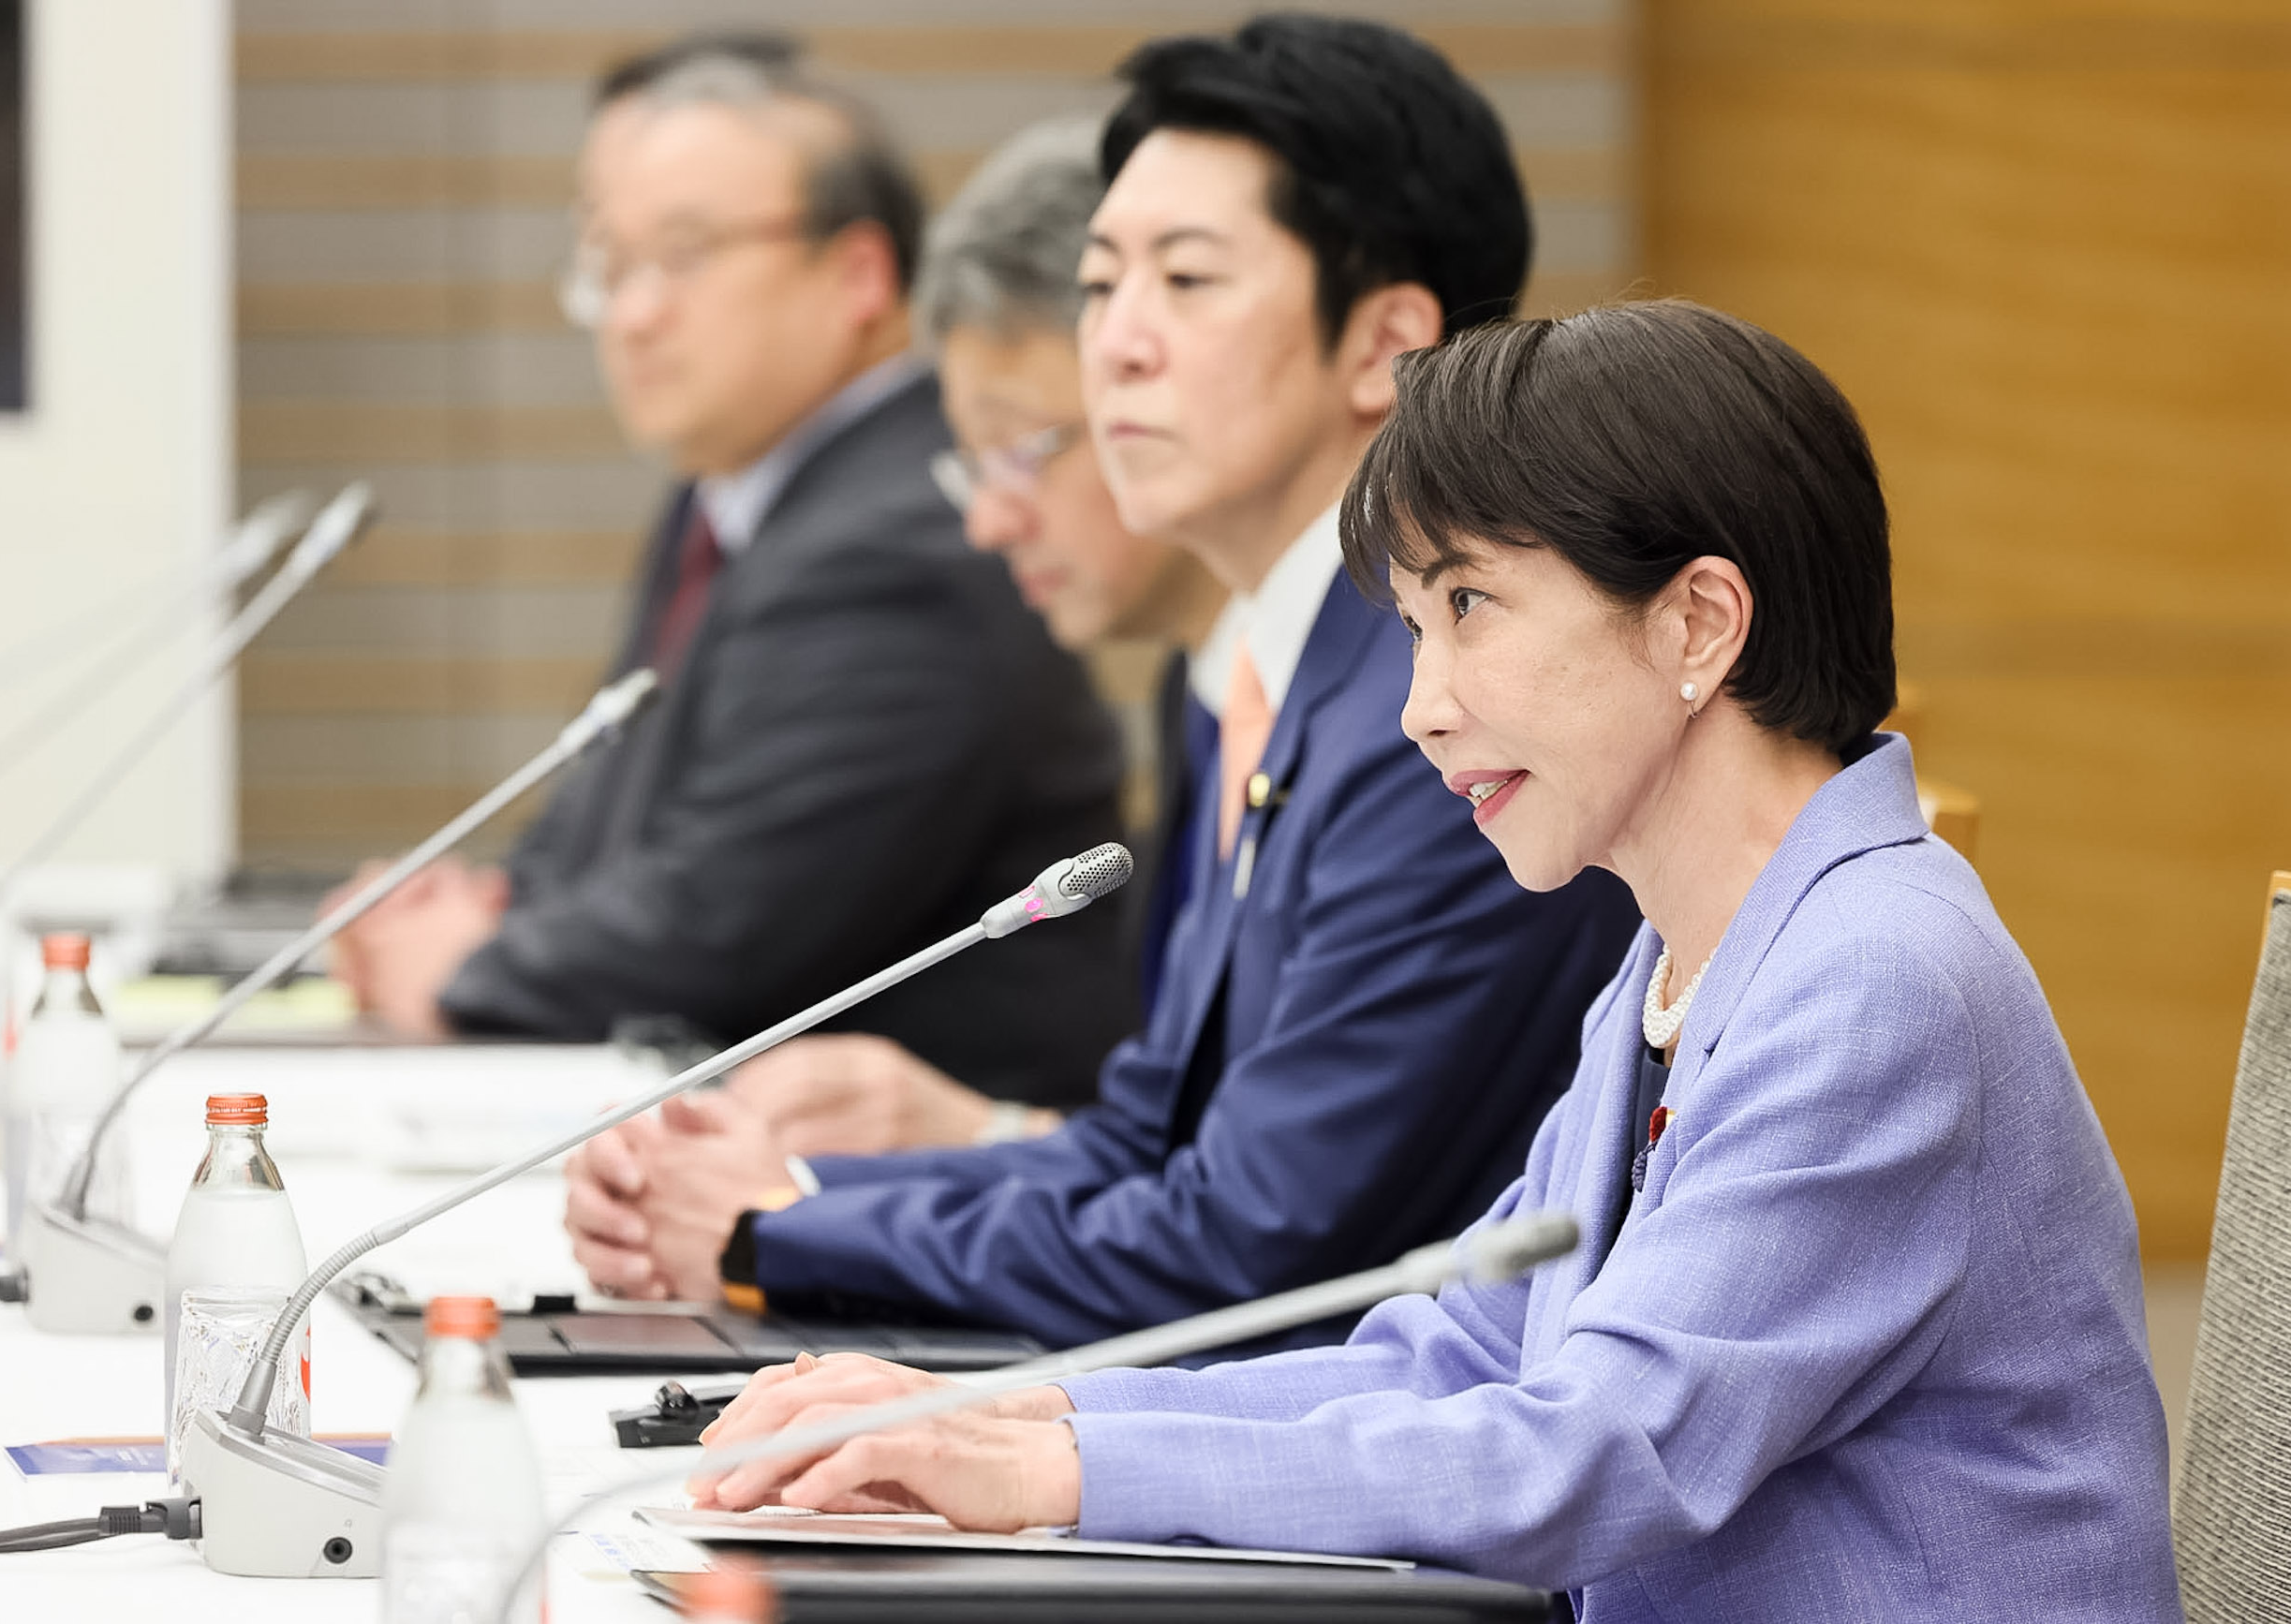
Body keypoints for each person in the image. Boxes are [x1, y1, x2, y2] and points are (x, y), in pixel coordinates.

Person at [681, 302, 2188, 1621]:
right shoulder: (1682, 953)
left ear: (1698, 624)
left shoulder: (1876, 980)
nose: (1419, 707)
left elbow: (1590, 1454)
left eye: (1467, 607)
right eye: (1411, 628)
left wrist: (1053, 1461)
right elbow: (1460, 1350)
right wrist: (1024, 1413)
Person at [560, 15, 1642, 1352]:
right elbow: (1149, 1136)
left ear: (1386, 349)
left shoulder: (1442, 715)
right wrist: (782, 1193)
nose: (1116, 344)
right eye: (1100, 283)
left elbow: (1249, 1242)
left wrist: (782, 1227)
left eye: (1185, 282)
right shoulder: (1262, 673)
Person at [323, 36, 1134, 1117]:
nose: (633, 311)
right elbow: (615, 809)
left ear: (856, 273)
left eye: (682, 253)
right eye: (607, 264)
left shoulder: (908, 536)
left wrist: (470, 969)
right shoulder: (735, 492)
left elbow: (724, 926)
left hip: (928, 1198)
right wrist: (488, 906)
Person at [718, 116, 1227, 1158]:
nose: (988, 522)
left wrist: (815, 1209)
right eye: (971, 463)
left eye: (1017, 452)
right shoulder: (1201, 679)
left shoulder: (1401, 713)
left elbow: (1282, 1225)